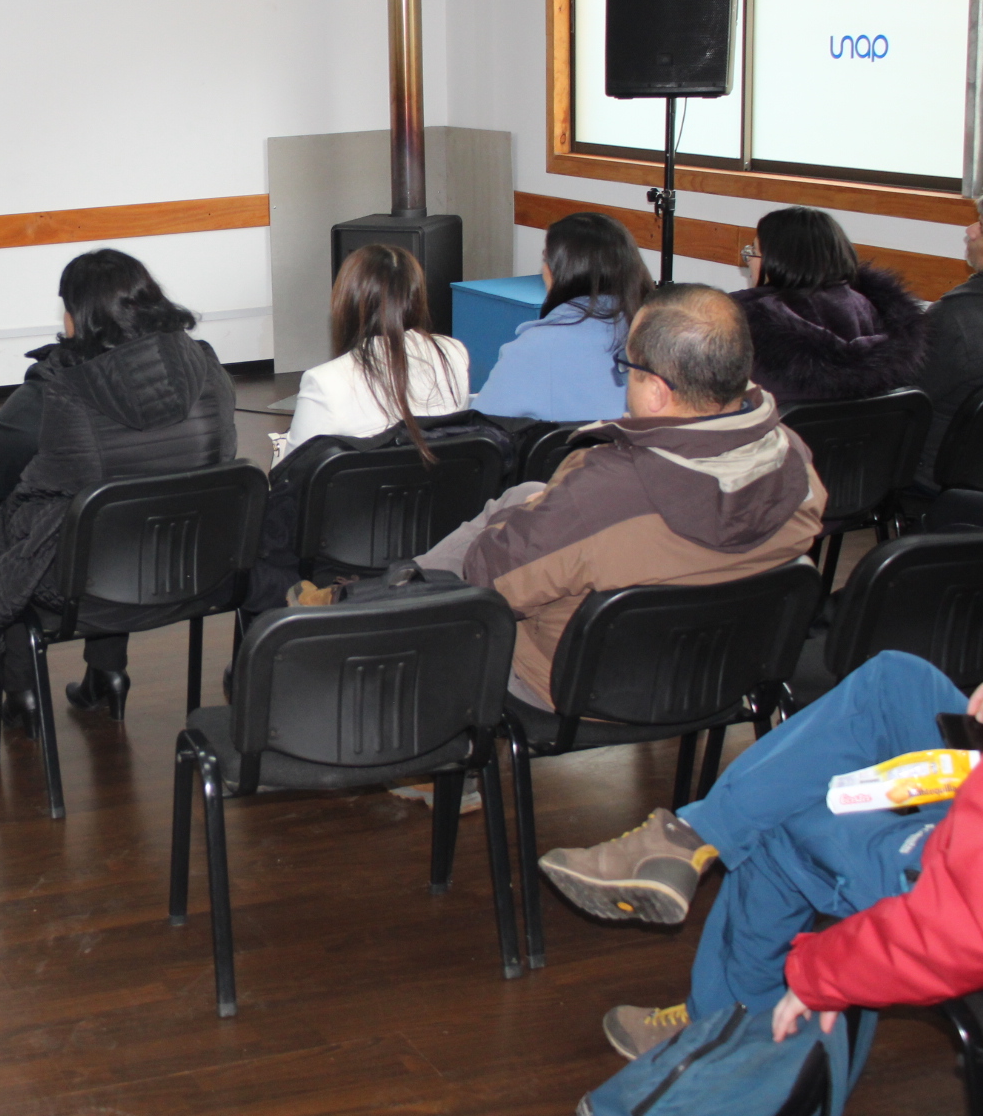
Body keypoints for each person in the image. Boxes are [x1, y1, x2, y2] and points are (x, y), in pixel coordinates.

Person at [539, 650, 983, 1063]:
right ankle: (686, 840)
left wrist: (819, 976)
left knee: (782, 821)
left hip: (961, 876)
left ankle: (723, 1020)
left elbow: (953, 926)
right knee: (896, 680)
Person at [413, 284, 823, 709]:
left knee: (493, 532)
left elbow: (486, 577)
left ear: (657, 392)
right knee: (527, 494)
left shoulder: (604, 491)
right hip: (724, 672)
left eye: (628, 368)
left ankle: (397, 607)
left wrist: (523, 520)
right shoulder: (795, 458)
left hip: (587, 688)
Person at [0, 249, 236, 720]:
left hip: (89, 588)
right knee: (124, 507)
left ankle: (23, 694)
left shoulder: (58, 388)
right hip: (198, 567)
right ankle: (106, 673)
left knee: (24, 529)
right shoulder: (206, 366)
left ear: (80, 316)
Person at [279, 243, 468, 459]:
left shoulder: (324, 383)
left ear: (346, 302)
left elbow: (292, 471)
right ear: (416, 296)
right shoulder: (454, 353)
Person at [731, 205, 926, 405]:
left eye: (753, 252)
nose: (749, 262)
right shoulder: (879, 317)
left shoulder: (738, 327)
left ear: (777, 262)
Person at [473, 212, 653, 422]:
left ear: (563, 271)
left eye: (546, 259)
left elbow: (482, 429)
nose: (543, 269)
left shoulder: (537, 347)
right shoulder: (655, 332)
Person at [914, 217, 983, 485]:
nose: (970, 230)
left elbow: (903, 396)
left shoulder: (955, 318)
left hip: (937, 474)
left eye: (982, 225)